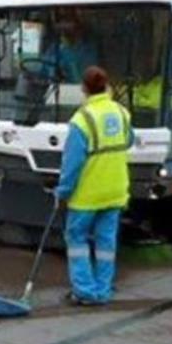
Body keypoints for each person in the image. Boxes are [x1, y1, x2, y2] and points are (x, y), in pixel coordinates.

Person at [54, 66, 134, 306]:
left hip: (87, 195)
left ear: (84, 89)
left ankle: (85, 291)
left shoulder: (82, 119)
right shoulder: (121, 112)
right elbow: (128, 140)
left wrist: (63, 192)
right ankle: (103, 289)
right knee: (106, 243)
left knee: (77, 239)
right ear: (106, 86)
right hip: (116, 190)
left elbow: (72, 163)